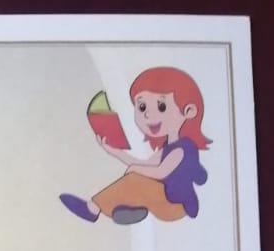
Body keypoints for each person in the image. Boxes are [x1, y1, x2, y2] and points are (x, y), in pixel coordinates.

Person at [60, 67, 210, 225]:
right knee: (137, 178)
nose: (147, 114)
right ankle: (129, 208)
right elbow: (144, 164)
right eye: (142, 107)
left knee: (135, 180)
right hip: (163, 198)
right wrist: (112, 151)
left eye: (161, 106)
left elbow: (160, 172)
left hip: (174, 205)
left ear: (189, 111)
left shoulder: (182, 150)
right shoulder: (168, 147)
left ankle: (93, 208)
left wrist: (135, 169)